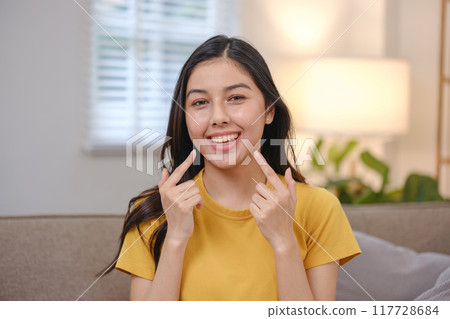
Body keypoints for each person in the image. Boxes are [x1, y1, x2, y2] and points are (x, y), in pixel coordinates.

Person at [104, 35, 361, 301]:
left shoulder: (319, 208)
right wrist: (176, 238)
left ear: (270, 110)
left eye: (236, 97)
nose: (218, 118)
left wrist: (284, 241)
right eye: (200, 103)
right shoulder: (155, 211)